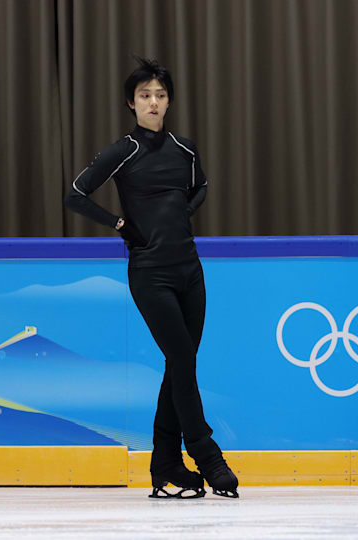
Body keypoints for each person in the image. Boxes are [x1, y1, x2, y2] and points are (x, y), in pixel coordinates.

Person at [64, 56, 238, 499]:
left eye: (160, 95)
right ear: (131, 102)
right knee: (181, 361)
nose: (154, 102)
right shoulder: (124, 151)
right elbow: (76, 194)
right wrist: (120, 225)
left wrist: (183, 211)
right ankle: (206, 455)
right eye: (145, 96)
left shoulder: (185, 149)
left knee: (180, 365)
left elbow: (201, 186)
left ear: (168, 101)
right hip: (150, 274)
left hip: (190, 271)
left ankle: (164, 464)